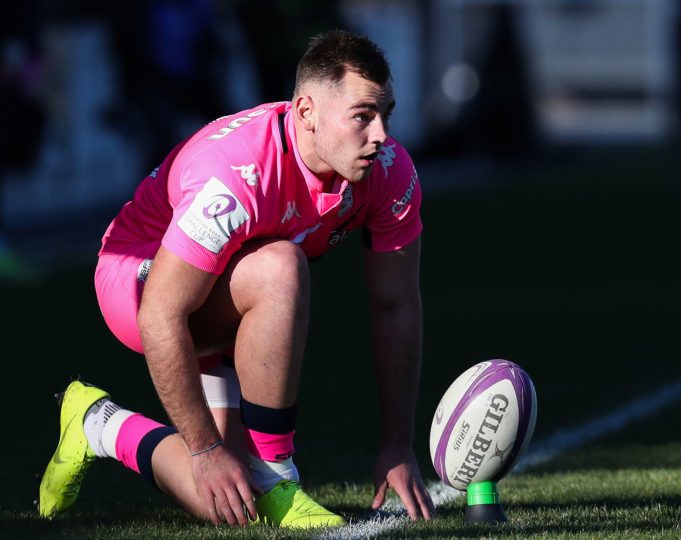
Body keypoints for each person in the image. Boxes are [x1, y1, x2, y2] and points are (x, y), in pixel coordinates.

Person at [38, 29, 436, 528]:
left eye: (386, 115)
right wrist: (204, 449)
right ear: (307, 111)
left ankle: (96, 424)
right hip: (138, 281)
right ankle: (276, 477)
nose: (380, 135)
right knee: (279, 269)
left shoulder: (391, 170)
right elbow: (162, 312)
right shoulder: (237, 173)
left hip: (224, 280)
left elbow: (396, 305)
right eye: (363, 116)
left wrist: (397, 446)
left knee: (229, 506)